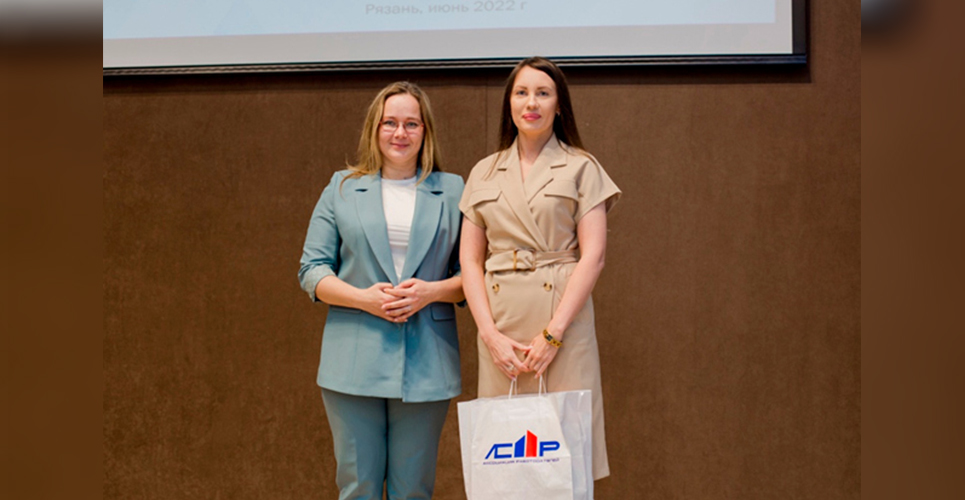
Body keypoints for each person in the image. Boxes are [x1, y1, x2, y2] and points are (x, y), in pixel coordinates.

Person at [298, 81, 465, 500]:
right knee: (359, 487)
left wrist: (430, 292)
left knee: (414, 491)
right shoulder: (341, 188)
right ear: (374, 128)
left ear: (426, 131)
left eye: (411, 123)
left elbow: (474, 275)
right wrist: (363, 299)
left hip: (428, 360)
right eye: (389, 123)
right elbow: (312, 270)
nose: (399, 133)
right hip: (353, 359)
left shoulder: (454, 190)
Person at [459, 57, 621, 480]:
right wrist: (489, 335)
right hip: (502, 330)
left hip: (563, 327)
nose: (531, 103)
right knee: (504, 463)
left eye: (543, 93)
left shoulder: (582, 166)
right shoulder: (483, 171)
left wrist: (553, 334)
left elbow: (594, 256)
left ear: (559, 105)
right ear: (509, 103)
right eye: (521, 93)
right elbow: (469, 260)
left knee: (566, 456)